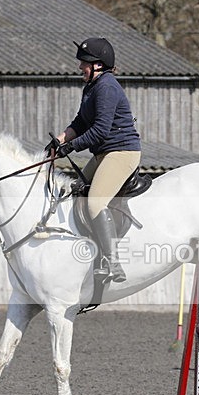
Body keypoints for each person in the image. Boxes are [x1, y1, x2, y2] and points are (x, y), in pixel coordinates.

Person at [47, 37, 141, 283]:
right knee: (75, 192)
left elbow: (99, 131)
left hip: (122, 152)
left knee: (95, 203)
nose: (80, 67)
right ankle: (93, 254)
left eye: (84, 63)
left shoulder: (107, 87)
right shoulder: (91, 87)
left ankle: (113, 263)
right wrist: (59, 141)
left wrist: (71, 147)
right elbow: (80, 122)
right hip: (103, 153)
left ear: (98, 65)